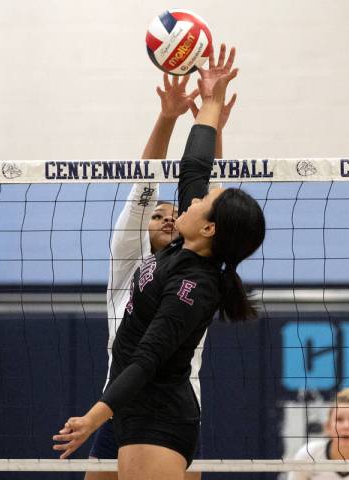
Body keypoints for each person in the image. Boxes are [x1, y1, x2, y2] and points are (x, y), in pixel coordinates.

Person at [53, 44, 266, 480]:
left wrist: (94, 418)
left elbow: (148, 357)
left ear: (207, 229)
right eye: (160, 213)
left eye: (195, 206)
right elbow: (194, 169)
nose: (176, 210)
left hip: (155, 408)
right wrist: (209, 102)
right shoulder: (173, 251)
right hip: (128, 404)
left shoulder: (194, 284)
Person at [85, 68, 236, 480]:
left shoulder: (198, 273)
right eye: (159, 215)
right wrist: (170, 117)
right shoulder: (128, 262)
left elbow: (211, 198)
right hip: (119, 403)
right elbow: (144, 188)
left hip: (170, 410)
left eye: (176, 213)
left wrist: (213, 119)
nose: (170, 218)